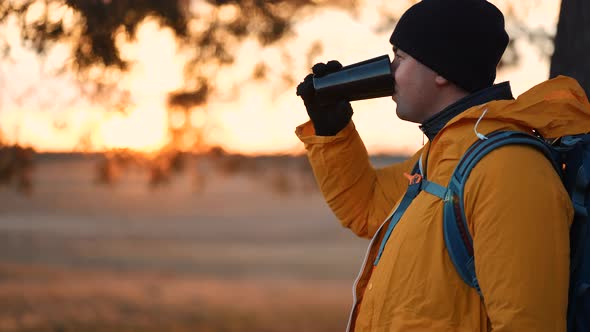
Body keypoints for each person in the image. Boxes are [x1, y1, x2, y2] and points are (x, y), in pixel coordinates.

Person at [295, 0, 590, 331]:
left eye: (400, 58)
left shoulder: (508, 169)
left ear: (440, 71)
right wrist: (332, 129)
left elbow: (527, 322)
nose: (390, 72)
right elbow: (367, 207)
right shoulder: (444, 156)